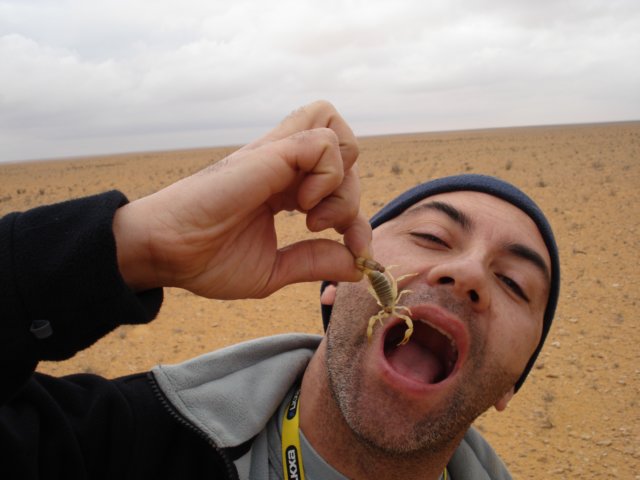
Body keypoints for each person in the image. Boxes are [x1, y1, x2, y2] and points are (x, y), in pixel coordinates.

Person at [0, 101, 559, 479]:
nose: (466, 274)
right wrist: (134, 246)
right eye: (432, 236)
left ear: (511, 384)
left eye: (513, 282)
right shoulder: (118, 443)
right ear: (335, 289)